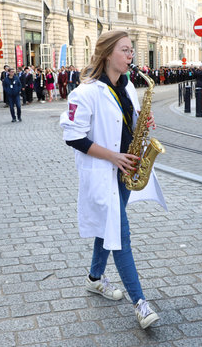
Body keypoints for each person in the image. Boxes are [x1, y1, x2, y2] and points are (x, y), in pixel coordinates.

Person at [60, 30, 167, 329]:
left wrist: (142, 122)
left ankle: (95, 278)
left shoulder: (128, 86)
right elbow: (72, 137)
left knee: (108, 228)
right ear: (107, 54)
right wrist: (113, 157)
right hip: (105, 172)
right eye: (124, 50)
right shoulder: (85, 92)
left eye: (131, 50)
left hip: (126, 171)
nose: (130, 55)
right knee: (120, 234)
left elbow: (126, 124)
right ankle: (140, 303)